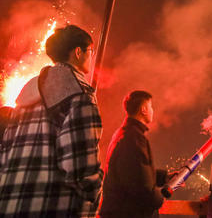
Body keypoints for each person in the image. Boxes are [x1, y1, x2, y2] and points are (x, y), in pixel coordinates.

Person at [0, 24, 103, 217]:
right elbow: (81, 168)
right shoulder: (79, 95)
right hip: (53, 206)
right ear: (78, 52)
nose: (92, 56)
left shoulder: (24, 97)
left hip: (12, 205)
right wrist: (94, 191)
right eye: (91, 51)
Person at [99, 90, 171, 218]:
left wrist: (164, 177)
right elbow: (142, 188)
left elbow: (135, 173)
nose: (152, 111)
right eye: (151, 106)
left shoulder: (125, 133)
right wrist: (160, 198)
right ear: (143, 110)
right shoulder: (134, 139)